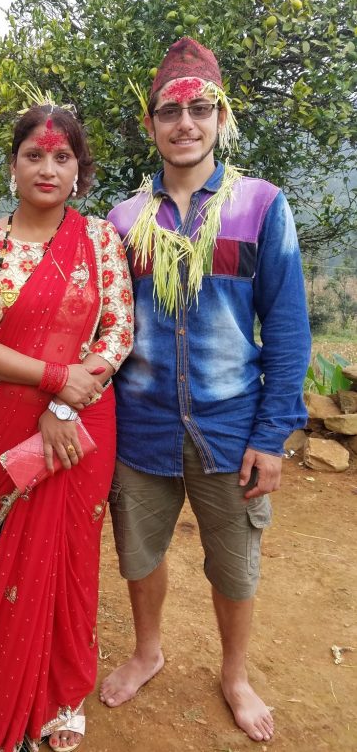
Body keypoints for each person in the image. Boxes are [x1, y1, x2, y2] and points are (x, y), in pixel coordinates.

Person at [101, 38, 311, 743]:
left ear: (221, 116)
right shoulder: (123, 222)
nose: (184, 122)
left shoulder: (261, 207)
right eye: (170, 110)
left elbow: (286, 331)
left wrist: (270, 436)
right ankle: (148, 650)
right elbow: (103, 325)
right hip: (140, 423)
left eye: (199, 108)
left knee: (234, 561)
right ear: (151, 124)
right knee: (140, 552)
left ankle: (235, 674)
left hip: (230, 426)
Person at [0, 102, 134, 752]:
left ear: (79, 170)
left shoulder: (100, 239)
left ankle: (64, 694)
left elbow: (119, 332)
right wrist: (53, 381)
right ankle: (11, 687)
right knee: (22, 559)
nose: (48, 167)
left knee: (74, 561)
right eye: (34, 155)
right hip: (9, 427)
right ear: (13, 164)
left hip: (81, 428)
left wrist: (68, 403)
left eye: (62, 156)